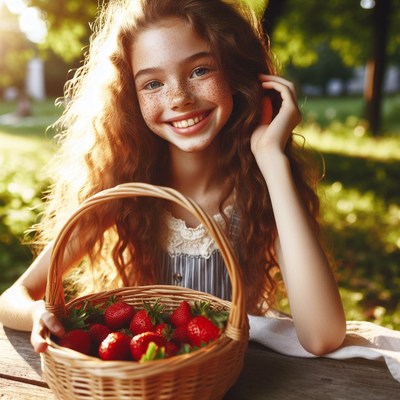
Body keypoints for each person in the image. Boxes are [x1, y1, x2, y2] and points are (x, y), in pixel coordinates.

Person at [0, 0, 346, 356]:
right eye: (152, 83)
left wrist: (271, 158)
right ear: (130, 98)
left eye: (199, 71)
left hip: (231, 371)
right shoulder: (122, 190)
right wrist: (37, 312)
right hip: (149, 373)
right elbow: (11, 299)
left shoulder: (257, 189)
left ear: (236, 73)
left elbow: (322, 336)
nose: (179, 97)